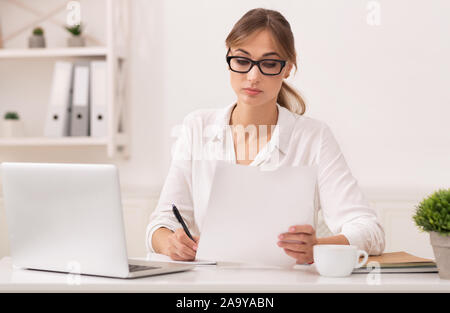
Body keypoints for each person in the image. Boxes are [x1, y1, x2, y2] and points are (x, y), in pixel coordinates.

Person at [146, 8, 385, 264]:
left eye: (269, 64)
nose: (253, 76)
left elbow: (370, 231)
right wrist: (169, 243)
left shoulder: (313, 137)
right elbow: (161, 224)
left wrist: (316, 247)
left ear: (288, 68)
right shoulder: (197, 127)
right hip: (211, 286)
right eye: (242, 61)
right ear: (228, 57)